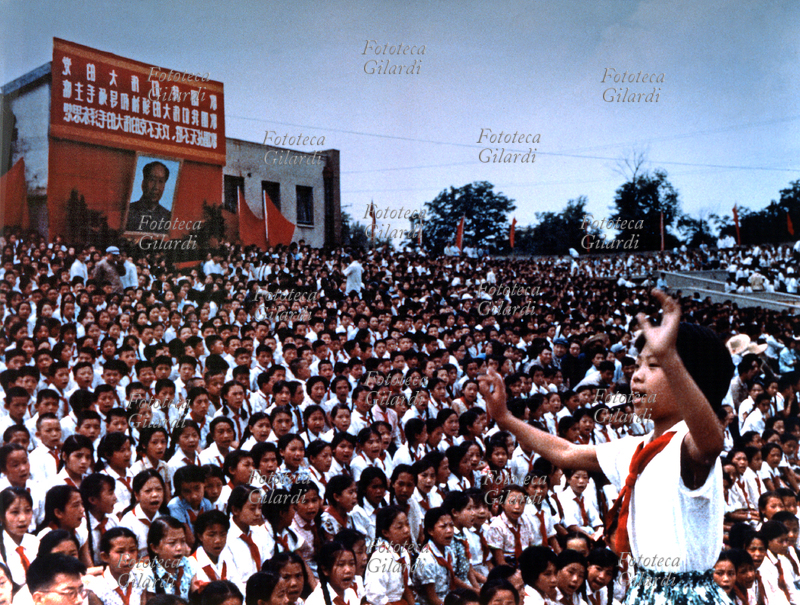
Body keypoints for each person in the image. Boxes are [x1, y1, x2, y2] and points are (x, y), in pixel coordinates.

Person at [483, 289, 734, 604]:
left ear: (691, 381)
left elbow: (711, 443)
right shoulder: (636, 446)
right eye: (638, 365)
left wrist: (671, 360)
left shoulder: (688, 444)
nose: (637, 377)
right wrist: (505, 418)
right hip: (645, 590)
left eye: (653, 365)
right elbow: (565, 452)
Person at [126, 162, 172, 233]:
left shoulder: (168, 217)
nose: (156, 187)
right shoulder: (128, 211)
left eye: (160, 181)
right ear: (143, 183)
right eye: (152, 180)